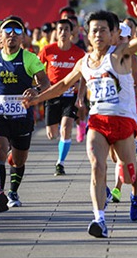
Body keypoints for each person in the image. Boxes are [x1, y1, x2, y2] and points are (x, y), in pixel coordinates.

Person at [24, 0, 137, 237]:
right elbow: (62, 85)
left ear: (112, 34)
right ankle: (99, 219)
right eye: (94, 30)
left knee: (129, 170)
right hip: (98, 121)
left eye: (103, 30)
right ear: (87, 35)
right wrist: (36, 99)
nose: (98, 34)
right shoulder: (84, 62)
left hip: (123, 121)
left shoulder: (121, 54)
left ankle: (136, 194)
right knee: (97, 166)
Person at [0, 16, 49, 212]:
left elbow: (45, 82)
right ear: (0, 37)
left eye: (17, 31)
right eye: (7, 31)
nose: (12, 34)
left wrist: (35, 90)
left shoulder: (29, 58)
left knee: (19, 160)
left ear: (22, 37)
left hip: (22, 117)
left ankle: (13, 192)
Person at [37, 19, 86, 176]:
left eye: (66, 29)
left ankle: (60, 163)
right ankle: (60, 136)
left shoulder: (79, 53)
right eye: (60, 29)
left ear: (71, 32)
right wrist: (40, 85)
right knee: (52, 134)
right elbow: (36, 69)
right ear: (56, 32)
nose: (63, 32)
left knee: (66, 127)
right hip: (52, 95)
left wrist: (80, 94)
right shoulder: (47, 50)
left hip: (70, 96)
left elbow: (85, 76)